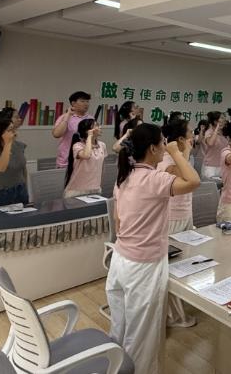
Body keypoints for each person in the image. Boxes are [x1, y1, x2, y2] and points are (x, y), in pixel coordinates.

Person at [106, 124, 200, 374]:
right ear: (152, 148)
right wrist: (177, 152)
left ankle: (116, 368)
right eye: (162, 143)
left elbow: (118, 221)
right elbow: (193, 180)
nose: (165, 147)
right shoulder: (154, 179)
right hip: (143, 267)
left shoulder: (124, 176)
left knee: (120, 327)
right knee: (141, 337)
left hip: (120, 260)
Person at [160, 118, 197, 328]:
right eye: (190, 133)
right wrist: (186, 153)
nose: (193, 136)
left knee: (184, 262)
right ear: (181, 139)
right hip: (172, 217)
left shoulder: (180, 158)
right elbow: (187, 178)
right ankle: (171, 314)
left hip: (185, 214)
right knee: (171, 266)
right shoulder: (167, 160)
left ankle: (178, 307)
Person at [64, 119, 106, 198]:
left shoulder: (102, 145)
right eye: (97, 125)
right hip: (77, 190)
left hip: (95, 188)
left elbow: (102, 167)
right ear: (88, 131)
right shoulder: (78, 146)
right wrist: (89, 136)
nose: (100, 127)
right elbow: (86, 155)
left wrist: (99, 183)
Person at [52, 91, 92, 168]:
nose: (86, 104)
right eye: (82, 101)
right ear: (73, 103)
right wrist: (68, 115)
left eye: (87, 101)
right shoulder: (64, 117)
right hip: (67, 161)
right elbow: (56, 134)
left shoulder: (91, 118)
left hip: (85, 160)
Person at [201, 111, 227, 179]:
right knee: (211, 184)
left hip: (221, 165)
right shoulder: (209, 132)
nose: (224, 119)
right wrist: (217, 128)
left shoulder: (224, 133)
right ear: (215, 121)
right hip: (210, 166)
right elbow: (210, 143)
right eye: (222, 118)